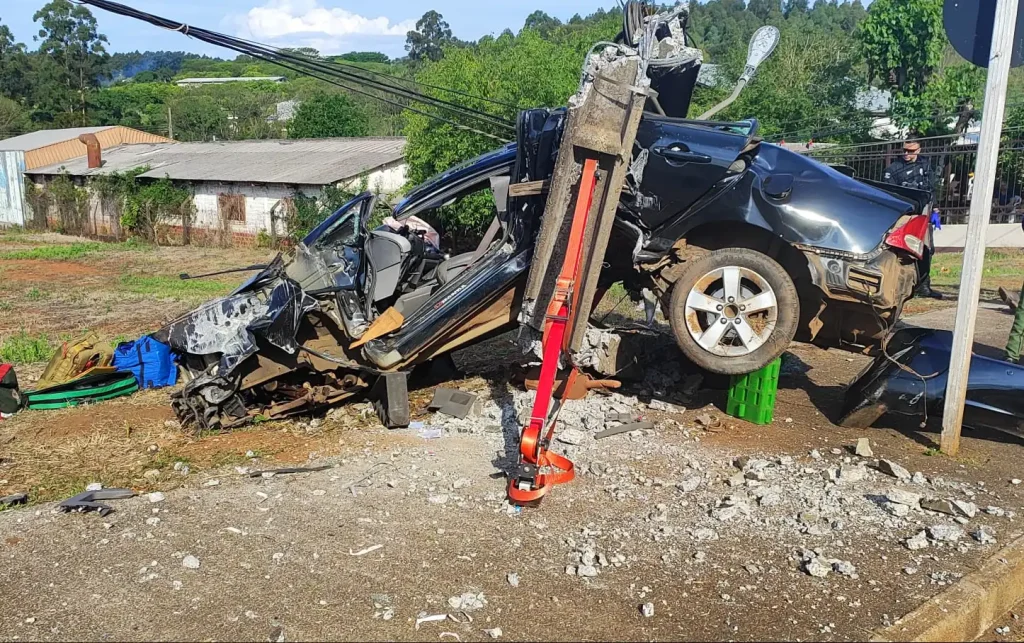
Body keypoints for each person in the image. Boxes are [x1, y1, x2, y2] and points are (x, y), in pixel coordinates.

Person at [883, 140, 943, 299]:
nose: (906, 153)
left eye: (911, 151)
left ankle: (923, 286)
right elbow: (889, 192)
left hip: (923, 213)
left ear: (919, 150)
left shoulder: (925, 166)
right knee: (902, 249)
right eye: (904, 150)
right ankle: (899, 285)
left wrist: (935, 209)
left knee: (927, 249)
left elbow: (931, 189)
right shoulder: (894, 169)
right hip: (905, 214)